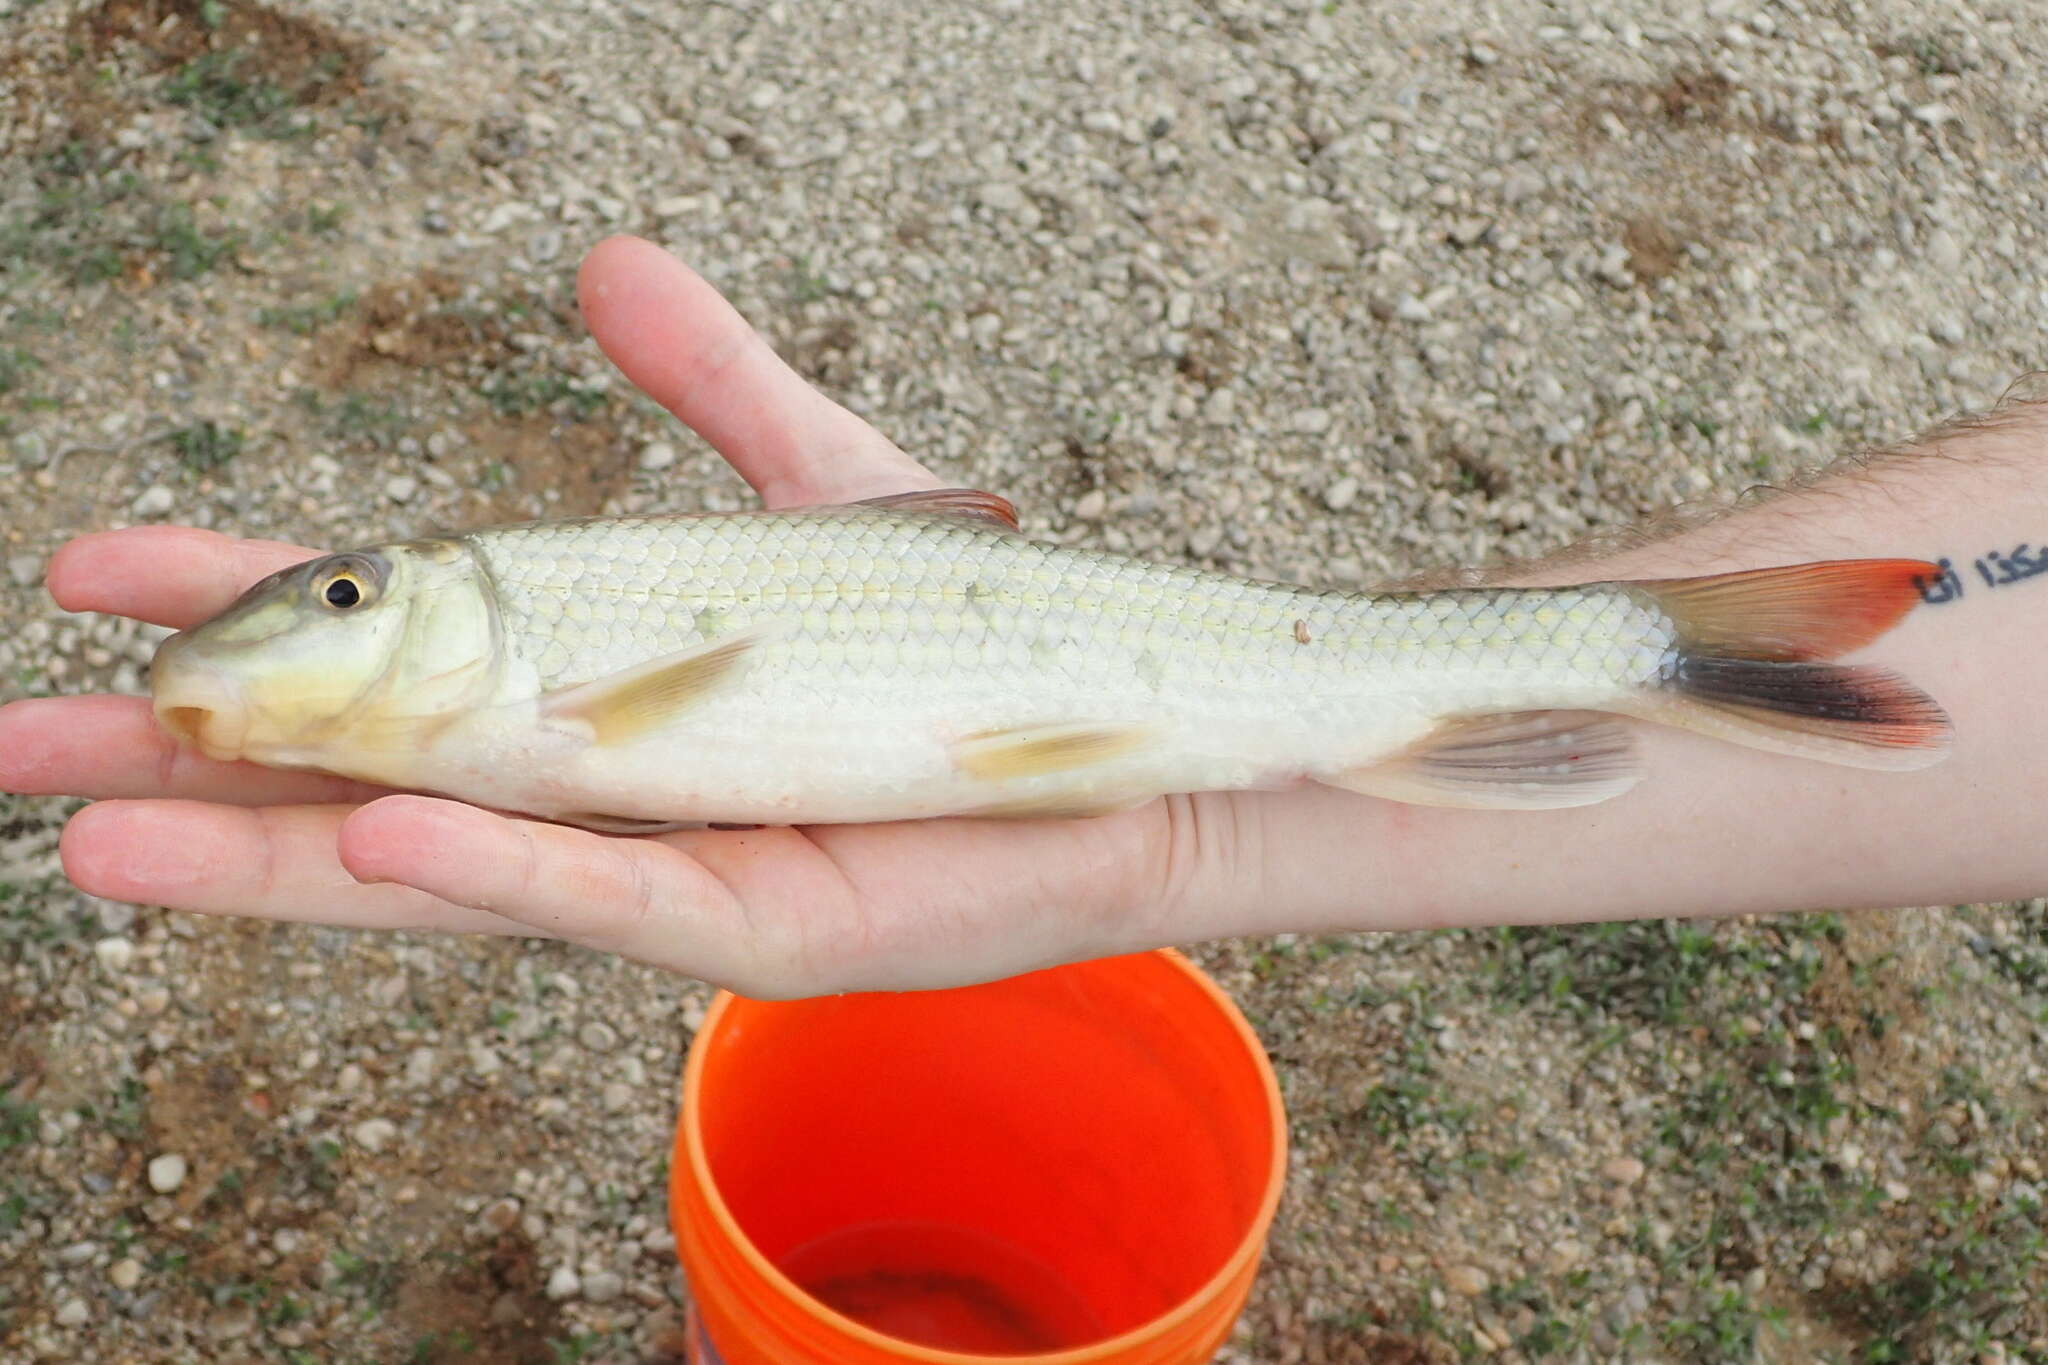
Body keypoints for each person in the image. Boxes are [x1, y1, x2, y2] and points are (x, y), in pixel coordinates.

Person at [0, 237, 2039, 999]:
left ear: (432, 607)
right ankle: (1631, 643)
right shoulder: (483, 702)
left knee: (1510, 656)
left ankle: (1645, 639)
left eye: (347, 587)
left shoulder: (531, 649)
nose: (321, 616)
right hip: (1087, 699)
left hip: (1107, 692)